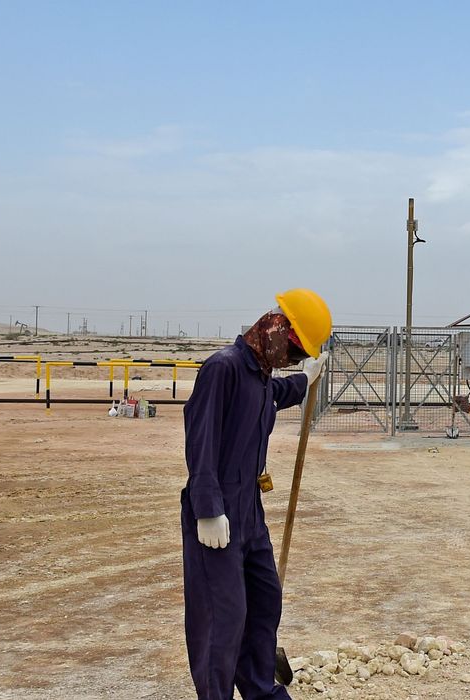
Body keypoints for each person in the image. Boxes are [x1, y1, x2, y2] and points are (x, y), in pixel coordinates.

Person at [180, 288, 332, 700]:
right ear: (276, 328)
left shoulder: (262, 377)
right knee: (223, 616)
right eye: (295, 354)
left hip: (249, 507)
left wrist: (306, 379)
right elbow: (202, 440)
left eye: (299, 358)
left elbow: (275, 397)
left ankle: (262, 690)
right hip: (217, 509)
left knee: (265, 601)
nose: (291, 362)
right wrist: (207, 507)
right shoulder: (222, 369)